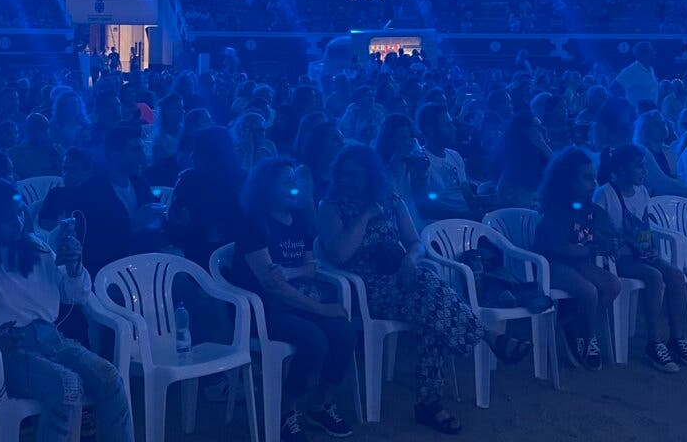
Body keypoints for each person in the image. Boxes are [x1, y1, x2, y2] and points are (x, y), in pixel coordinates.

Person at [317, 145, 529, 434]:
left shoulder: (392, 201)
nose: (346, 181)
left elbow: (416, 243)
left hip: (401, 279)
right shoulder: (331, 206)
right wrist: (365, 215)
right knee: (432, 292)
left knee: (433, 316)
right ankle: (488, 338)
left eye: (354, 176)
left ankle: (430, 404)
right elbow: (340, 254)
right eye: (342, 175)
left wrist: (409, 259)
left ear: (369, 176)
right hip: (364, 288)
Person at [0, 178, 132, 442]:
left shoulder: (34, 246)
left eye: (20, 213)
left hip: (52, 338)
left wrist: (74, 268)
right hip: (8, 348)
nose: (17, 222)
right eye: (7, 218)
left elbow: (73, 295)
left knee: (110, 378)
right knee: (67, 386)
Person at [233, 157, 355, 442]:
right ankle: (285, 411)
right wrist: (322, 307)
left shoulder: (298, 220)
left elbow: (310, 268)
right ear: (267, 188)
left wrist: (288, 271)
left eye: (295, 182)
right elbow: (271, 286)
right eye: (286, 182)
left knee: (346, 332)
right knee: (315, 340)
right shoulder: (253, 225)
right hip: (263, 309)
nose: (294, 188)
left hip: (298, 300)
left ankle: (321, 403)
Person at [593, 145, 687, 372]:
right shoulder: (605, 194)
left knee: (675, 275)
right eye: (638, 166)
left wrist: (651, 248)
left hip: (640, 253)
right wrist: (622, 243)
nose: (644, 171)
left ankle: (679, 338)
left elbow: (644, 225)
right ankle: (655, 342)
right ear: (622, 170)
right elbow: (598, 231)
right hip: (617, 258)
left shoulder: (642, 192)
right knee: (654, 277)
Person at [534, 147, 620, 371]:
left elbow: (602, 234)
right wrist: (591, 250)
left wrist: (607, 241)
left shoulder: (589, 209)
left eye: (594, 177)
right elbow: (559, 247)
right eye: (587, 178)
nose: (594, 183)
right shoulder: (557, 211)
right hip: (551, 264)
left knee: (612, 284)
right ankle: (587, 337)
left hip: (579, 262)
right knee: (588, 291)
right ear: (569, 181)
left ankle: (574, 321)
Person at [39, 125, 156, 276]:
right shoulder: (91, 192)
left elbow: (154, 224)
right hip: (108, 273)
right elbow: (91, 245)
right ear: (115, 154)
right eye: (136, 150)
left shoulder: (140, 185)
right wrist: (132, 226)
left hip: (143, 262)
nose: (142, 156)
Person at [169, 125, 245, 267]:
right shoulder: (243, 178)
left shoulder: (188, 180)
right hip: (242, 255)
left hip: (198, 261)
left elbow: (177, 226)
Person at [415, 102, 476, 220]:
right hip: (442, 226)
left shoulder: (455, 156)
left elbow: (467, 195)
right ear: (430, 130)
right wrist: (465, 217)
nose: (453, 128)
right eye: (447, 125)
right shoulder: (420, 161)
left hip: (466, 220)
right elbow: (426, 208)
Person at [491, 107, 550, 209]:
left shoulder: (543, 154)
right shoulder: (512, 160)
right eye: (537, 127)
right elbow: (503, 197)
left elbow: (560, 174)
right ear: (525, 132)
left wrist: (544, 146)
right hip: (519, 214)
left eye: (541, 126)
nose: (542, 130)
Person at [614, 42, 658, 108]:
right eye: (651, 51)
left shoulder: (650, 69)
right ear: (643, 54)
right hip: (637, 115)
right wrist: (627, 108)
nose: (654, 53)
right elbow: (614, 88)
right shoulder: (632, 70)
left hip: (650, 113)